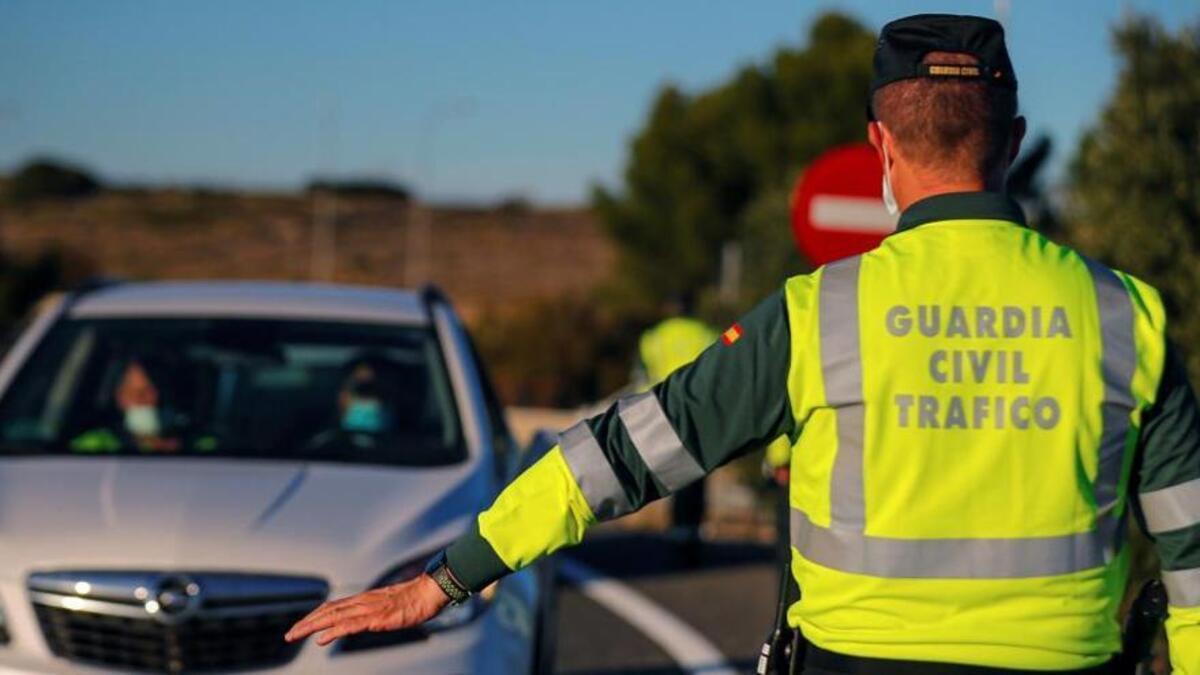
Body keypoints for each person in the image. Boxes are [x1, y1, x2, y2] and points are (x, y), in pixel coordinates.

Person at [286, 14, 1200, 673]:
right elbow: (1193, 557)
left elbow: (622, 455)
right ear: (1017, 144)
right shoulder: (1128, 315)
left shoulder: (817, 313)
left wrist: (447, 577)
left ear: (880, 145)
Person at [635, 298, 718, 564]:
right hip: (699, 413)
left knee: (674, 472)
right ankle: (692, 529)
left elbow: (643, 377)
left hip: (663, 411)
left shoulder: (654, 337)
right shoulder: (705, 333)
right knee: (698, 475)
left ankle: (678, 530)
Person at [72, 357, 207, 453]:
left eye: (158, 390)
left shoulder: (203, 446)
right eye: (138, 393)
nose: (151, 400)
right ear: (120, 398)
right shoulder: (94, 446)